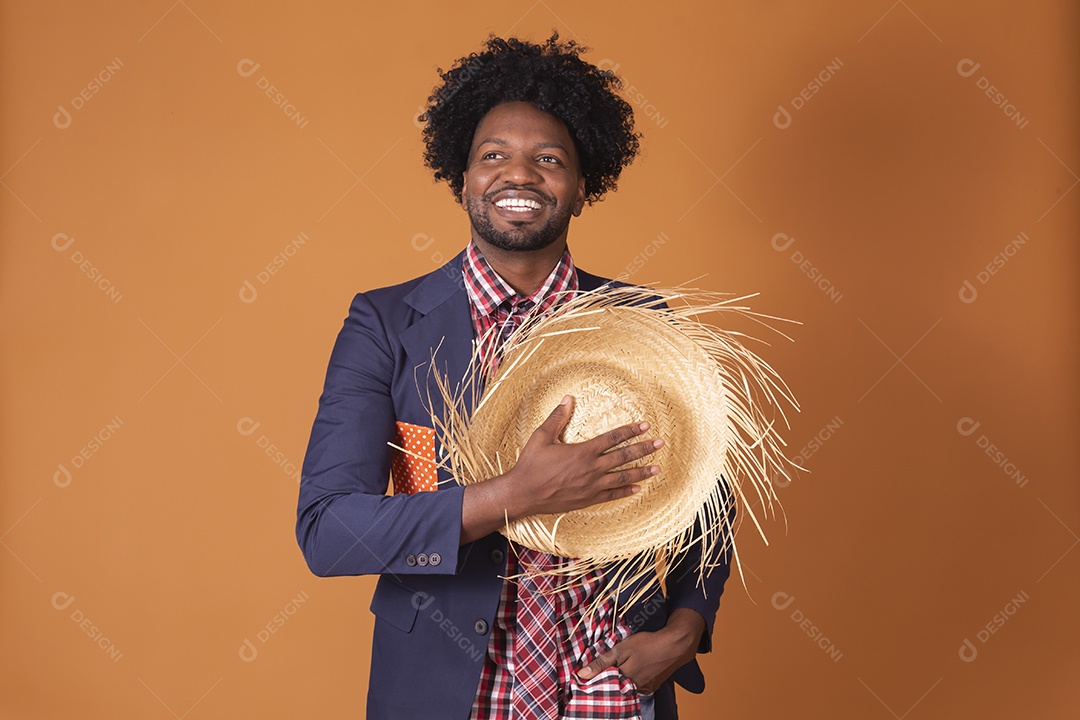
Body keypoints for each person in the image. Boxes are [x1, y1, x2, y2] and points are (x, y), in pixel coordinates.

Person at [296, 33, 731, 720]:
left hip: (610, 686)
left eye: (548, 159)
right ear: (462, 179)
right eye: (493, 156)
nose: (519, 176)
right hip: (448, 692)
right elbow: (330, 531)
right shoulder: (385, 323)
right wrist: (512, 495)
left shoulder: (642, 321)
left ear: (583, 186)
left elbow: (706, 503)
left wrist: (686, 628)